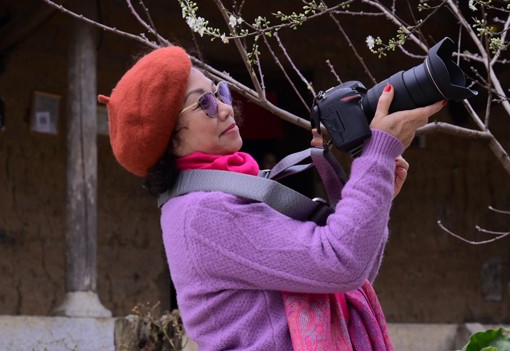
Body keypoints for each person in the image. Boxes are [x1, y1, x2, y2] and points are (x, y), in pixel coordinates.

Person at [98, 45, 445, 350]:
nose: (224, 109)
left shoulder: (222, 194)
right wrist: (376, 158)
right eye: (202, 103)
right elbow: (342, 261)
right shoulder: (204, 210)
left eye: (219, 92)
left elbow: (350, 275)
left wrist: (377, 190)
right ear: (169, 139)